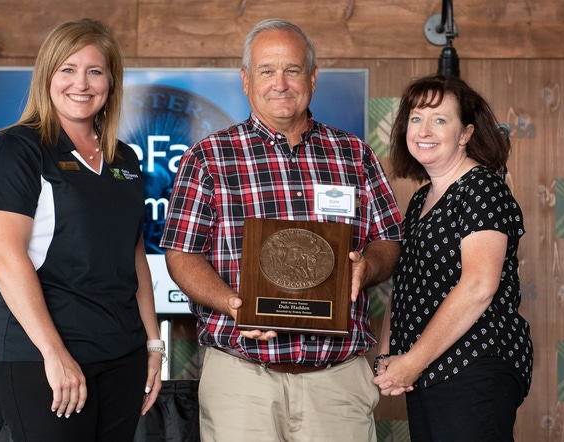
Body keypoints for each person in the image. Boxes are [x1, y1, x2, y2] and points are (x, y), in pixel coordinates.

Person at [159, 18, 403, 442]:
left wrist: (368, 266)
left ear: (312, 77)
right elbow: (182, 254)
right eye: (267, 71)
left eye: (292, 70)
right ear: (246, 80)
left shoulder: (355, 155)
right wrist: (234, 304)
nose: (280, 83)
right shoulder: (209, 158)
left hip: (337, 381)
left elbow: (388, 241)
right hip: (242, 379)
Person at [0, 18, 163, 441]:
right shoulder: (15, 150)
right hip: (44, 355)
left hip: (122, 353)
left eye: (95, 71)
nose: (82, 83)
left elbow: (133, 256)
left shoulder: (124, 159)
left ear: (111, 82)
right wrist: (55, 354)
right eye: (68, 69)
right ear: (47, 77)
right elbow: (5, 257)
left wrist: (152, 344)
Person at [373, 74, 534, 441]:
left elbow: (478, 287)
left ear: (465, 134)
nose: (424, 130)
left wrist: (410, 363)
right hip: (430, 370)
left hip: (474, 368)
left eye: (439, 120)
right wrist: (388, 358)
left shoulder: (483, 189)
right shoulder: (420, 200)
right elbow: (407, 285)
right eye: (416, 118)